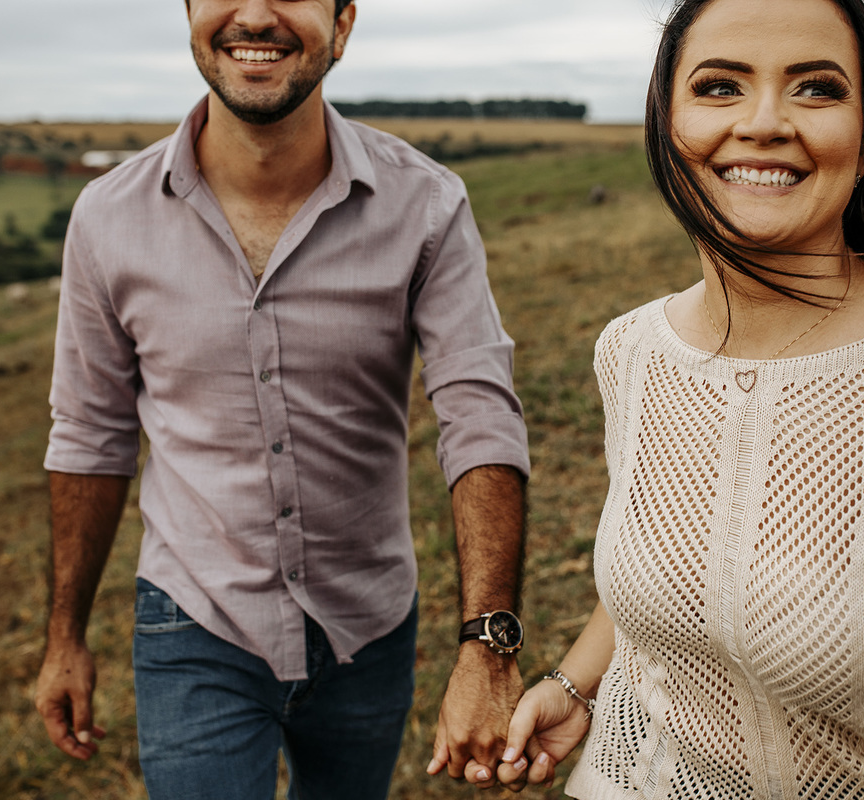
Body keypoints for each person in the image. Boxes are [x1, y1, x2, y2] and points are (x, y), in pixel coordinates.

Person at [494, 0, 864, 797]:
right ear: (663, 120)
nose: (766, 122)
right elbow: (685, 546)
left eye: (816, 89)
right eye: (719, 87)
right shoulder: (632, 349)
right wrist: (575, 686)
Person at [32, 0, 531, 797]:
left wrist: (487, 644)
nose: (256, 14)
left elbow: (479, 413)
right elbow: (90, 434)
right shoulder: (108, 219)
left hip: (369, 624)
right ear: (190, 14)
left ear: (343, 22)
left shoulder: (426, 206)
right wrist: (65, 637)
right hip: (195, 618)